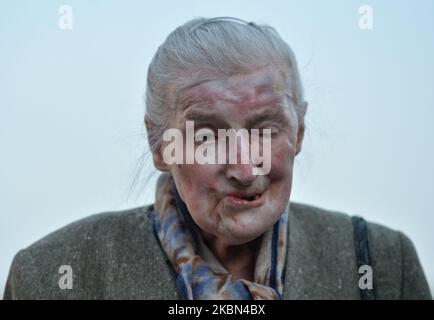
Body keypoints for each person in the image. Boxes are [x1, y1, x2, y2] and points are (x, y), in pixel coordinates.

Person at [4, 17, 431, 300]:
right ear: (160, 146)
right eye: (206, 136)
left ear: (298, 131)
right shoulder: (53, 278)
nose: (246, 170)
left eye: (267, 129)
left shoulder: (380, 264)